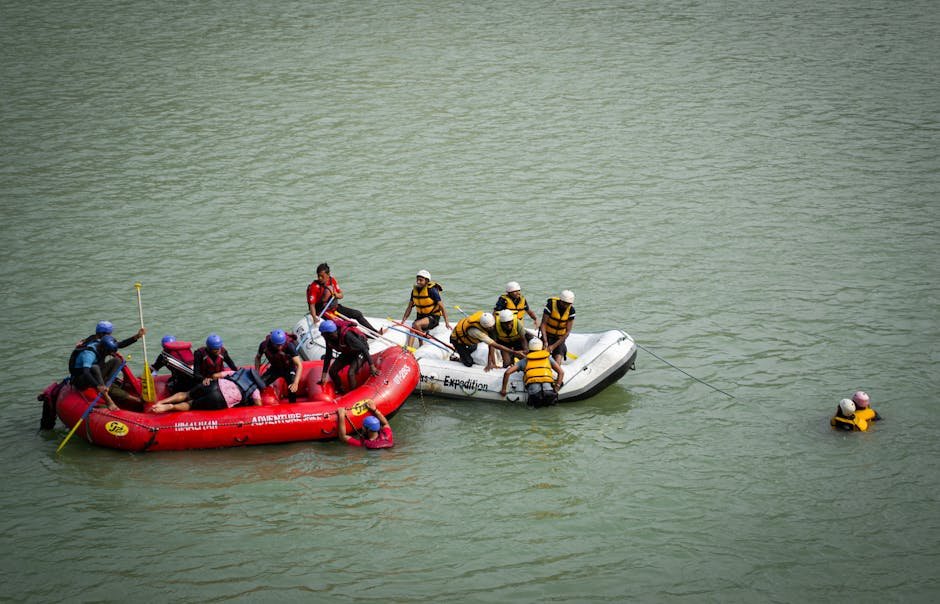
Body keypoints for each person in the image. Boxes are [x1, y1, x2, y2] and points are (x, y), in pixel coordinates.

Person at [148, 367, 265, 413]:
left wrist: (209, 379)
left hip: (215, 385)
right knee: (191, 404)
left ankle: (161, 402)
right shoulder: (254, 390)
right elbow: (258, 405)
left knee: (187, 394)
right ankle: (170, 407)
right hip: (220, 399)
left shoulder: (236, 373)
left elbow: (215, 375)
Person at [306, 262, 380, 333]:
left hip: (334, 308)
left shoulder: (332, 281)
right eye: (318, 276)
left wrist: (336, 294)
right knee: (343, 324)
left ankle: (374, 332)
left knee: (357, 314)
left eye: (322, 276)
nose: (320, 278)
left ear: (328, 274)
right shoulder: (314, 287)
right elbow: (312, 305)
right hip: (323, 311)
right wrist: (314, 317)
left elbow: (341, 295)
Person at [499, 338, 565, 408]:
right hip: (549, 393)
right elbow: (561, 372)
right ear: (541, 347)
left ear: (529, 348)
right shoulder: (548, 358)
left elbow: (507, 372)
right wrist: (557, 387)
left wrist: (504, 389)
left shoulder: (525, 361)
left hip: (535, 395)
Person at [318, 319, 378, 394]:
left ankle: (354, 394)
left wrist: (372, 366)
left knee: (351, 373)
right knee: (332, 371)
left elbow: (364, 348)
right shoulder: (329, 339)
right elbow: (328, 356)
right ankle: (340, 390)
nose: (322, 335)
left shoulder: (347, 335)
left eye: (323, 334)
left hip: (360, 353)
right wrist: (323, 376)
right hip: (348, 352)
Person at [67, 334, 122, 410]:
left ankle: (107, 386)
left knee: (117, 360)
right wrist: (97, 386)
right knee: (95, 367)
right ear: (103, 349)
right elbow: (86, 372)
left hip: (93, 373)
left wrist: (136, 337)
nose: (108, 354)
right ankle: (108, 400)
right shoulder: (89, 354)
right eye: (108, 352)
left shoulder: (100, 344)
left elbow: (120, 344)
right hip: (80, 379)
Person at [449, 311, 518, 369]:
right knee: (469, 362)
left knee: (473, 348)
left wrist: (493, 363)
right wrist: (514, 352)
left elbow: (491, 346)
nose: (492, 329)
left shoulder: (487, 319)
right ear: (484, 326)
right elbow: (495, 345)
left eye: (492, 326)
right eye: (489, 328)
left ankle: (461, 352)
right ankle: (457, 357)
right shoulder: (475, 331)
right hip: (458, 340)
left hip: (469, 339)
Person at [401, 270, 452, 347]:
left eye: (421, 280)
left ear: (427, 281)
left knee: (416, 324)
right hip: (421, 317)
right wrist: (404, 319)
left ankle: (421, 344)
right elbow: (409, 307)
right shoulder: (414, 291)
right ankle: (409, 349)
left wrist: (447, 322)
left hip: (433, 318)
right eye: (417, 280)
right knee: (412, 329)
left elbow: (442, 307)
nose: (418, 282)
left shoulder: (432, 291)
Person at [255, 329, 303, 402]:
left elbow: (299, 365)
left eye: (281, 345)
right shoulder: (264, 345)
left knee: (292, 388)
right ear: (272, 342)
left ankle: (292, 404)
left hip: (289, 368)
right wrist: (257, 373)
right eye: (277, 345)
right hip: (275, 368)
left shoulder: (289, 346)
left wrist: (295, 383)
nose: (280, 347)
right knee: (259, 385)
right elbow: (257, 358)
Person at [539, 290, 576, 365]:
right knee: (540, 357)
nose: (566, 306)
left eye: (568, 304)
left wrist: (552, 347)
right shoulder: (550, 305)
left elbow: (567, 332)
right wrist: (545, 341)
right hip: (547, 335)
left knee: (558, 360)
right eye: (565, 303)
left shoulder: (571, 311)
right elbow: (543, 324)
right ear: (560, 301)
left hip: (559, 339)